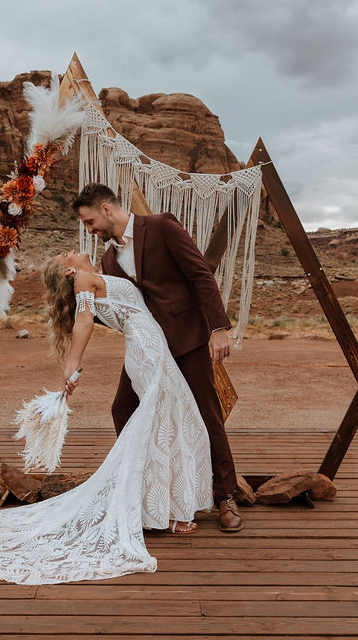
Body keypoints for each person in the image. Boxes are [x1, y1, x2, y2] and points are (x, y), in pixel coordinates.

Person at [0, 251, 213, 584]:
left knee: (170, 422)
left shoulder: (98, 274)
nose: (75, 250)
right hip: (147, 352)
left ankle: (161, 506)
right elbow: (84, 320)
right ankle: (163, 514)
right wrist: (70, 366)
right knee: (157, 425)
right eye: (68, 254)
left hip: (152, 347)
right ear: (68, 269)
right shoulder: (82, 280)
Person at [71, 184, 243, 532]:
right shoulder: (107, 260)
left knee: (207, 412)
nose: (89, 230)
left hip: (187, 339)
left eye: (90, 222)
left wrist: (218, 328)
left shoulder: (162, 226)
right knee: (123, 408)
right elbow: (116, 308)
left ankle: (225, 496)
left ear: (106, 209)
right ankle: (146, 488)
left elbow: (200, 275)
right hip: (148, 350)